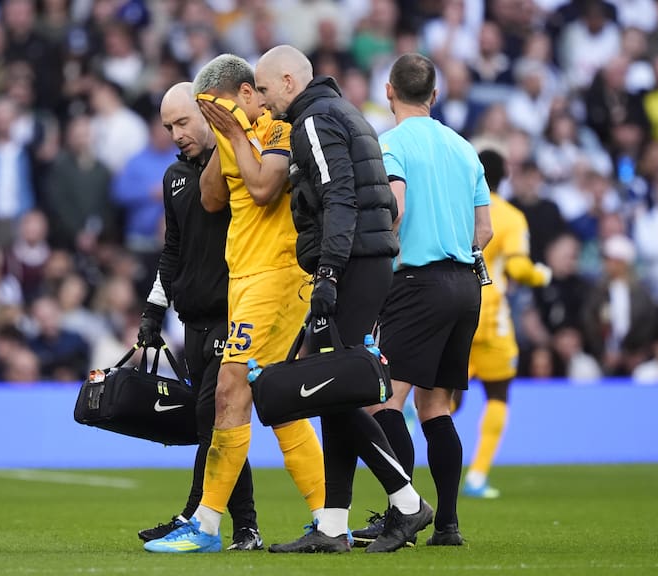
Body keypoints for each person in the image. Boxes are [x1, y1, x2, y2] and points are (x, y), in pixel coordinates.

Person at [252, 45, 433, 554]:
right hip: (368, 258)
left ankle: (405, 500)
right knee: (334, 393)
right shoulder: (342, 111)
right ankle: (333, 525)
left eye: (265, 90)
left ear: (289, 81)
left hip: (352, 262)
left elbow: (339, 198)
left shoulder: (312, 121)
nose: (263, 103)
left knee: (333, 390)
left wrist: (329, 273)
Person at [143, 54, 326, 554]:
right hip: (245, 278)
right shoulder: (233, 138)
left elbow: (265, 189)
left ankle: (205, 524)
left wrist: (238, 135)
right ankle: (327, 518)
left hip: (275, 277)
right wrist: (221, 137)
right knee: (281, 405)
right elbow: (211, 200)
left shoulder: (280, 132)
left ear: (248, 94)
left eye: (217, 109)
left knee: (230, 390)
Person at [358, 52, 493, 547]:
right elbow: (485, 230)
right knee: (436, 406)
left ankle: (405, 512)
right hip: (466, 285)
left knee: (383, 402)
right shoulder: (464, 149)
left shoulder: (388, 144)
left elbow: (394, 208)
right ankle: (450, 526)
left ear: (389, 91)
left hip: (416, 284)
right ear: (434, 96)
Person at [135, 82, 262, 551]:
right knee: (211, 423)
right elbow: (173, 250)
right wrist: (154, 309)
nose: (175, 134)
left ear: (208, 114)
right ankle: (225, 523)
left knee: (215, 417)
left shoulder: (240, 167)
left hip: (234, 314)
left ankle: (214, 520)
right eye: (168, 126)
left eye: (183, 122)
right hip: (193, 320)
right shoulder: (173, 178)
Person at [452, 148, 553, 499]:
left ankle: (425, 468)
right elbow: (519, 269)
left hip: (455, 311)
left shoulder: (457, 208)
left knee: (444, 398)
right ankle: (477, 476)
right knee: (498, 394)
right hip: (492, 317)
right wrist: (542, 275)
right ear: (504, 177)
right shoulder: (510, 216)